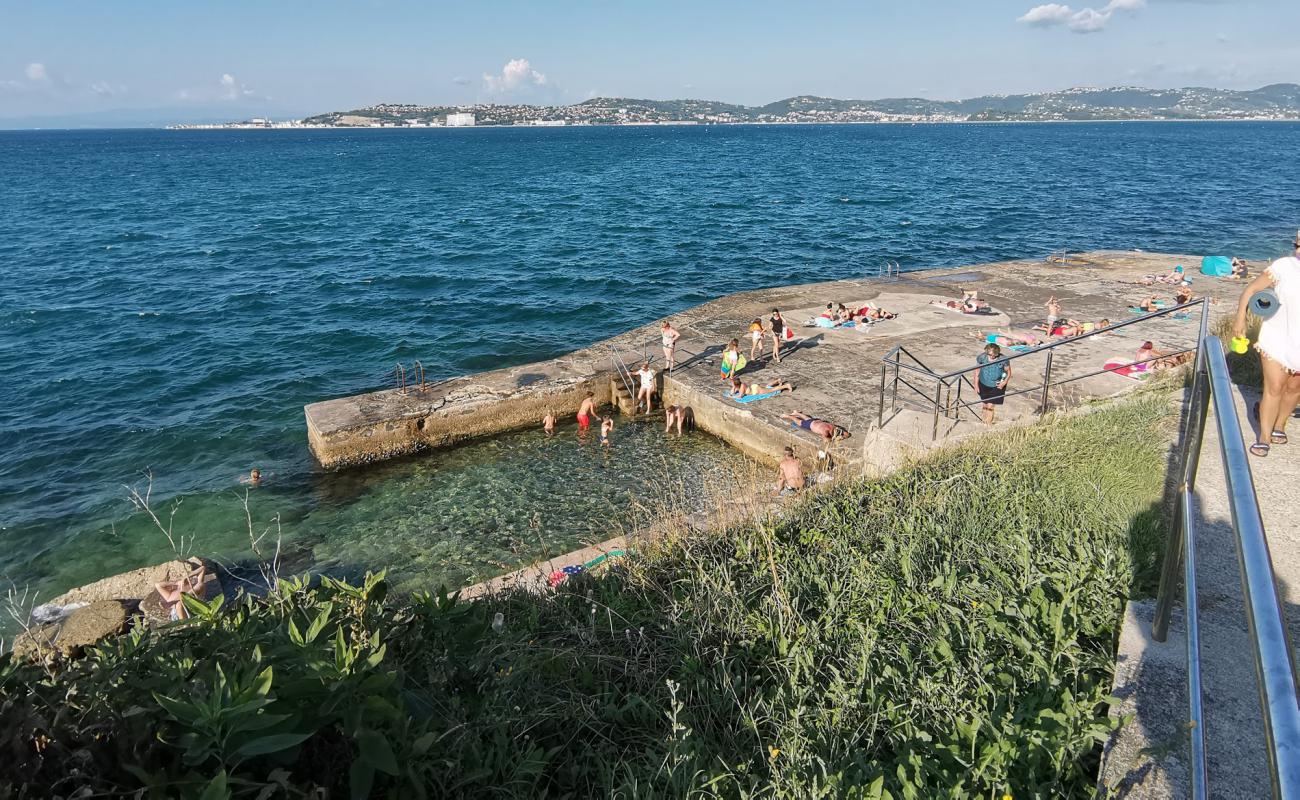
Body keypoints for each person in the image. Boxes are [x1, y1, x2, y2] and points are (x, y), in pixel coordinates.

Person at [1232, 231, 1300, 456]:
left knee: (1294, 388)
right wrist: (1240, 320)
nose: (1298, 250)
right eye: (1297, 245)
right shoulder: (1283, 266)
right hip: (1276, 335)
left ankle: (1280, 425)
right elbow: (1250, 290)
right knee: (1275, 387)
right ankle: (1264, 436)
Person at [976, 343, 1010, 425]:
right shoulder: (982, 357)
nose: (992, 356)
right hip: (983, 383)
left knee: (990, 406)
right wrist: (976, 385)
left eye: (995, 354)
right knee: (985, 404)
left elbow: (1008, 372)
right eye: (990, 354)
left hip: (997, 385)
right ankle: (984, 422)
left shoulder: (1003, 359)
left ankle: (988, 424)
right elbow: (977, 370)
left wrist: (1004, 382)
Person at [780, 411, 851, 443]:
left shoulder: (835, 427)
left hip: (816, 421)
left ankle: (796, 413)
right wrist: (834, 439)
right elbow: (825, 440)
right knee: (797, 421)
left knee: (807, 418)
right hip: (810, 425)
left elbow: (847, 434)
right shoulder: (825, 432)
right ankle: (788, 416)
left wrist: (843, 437)